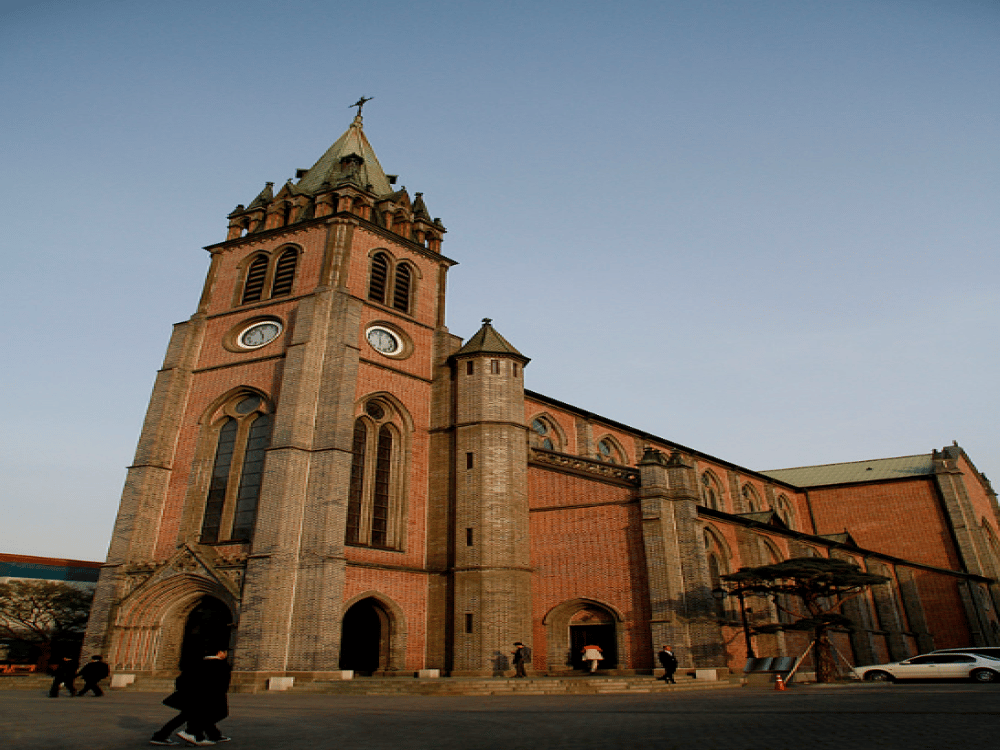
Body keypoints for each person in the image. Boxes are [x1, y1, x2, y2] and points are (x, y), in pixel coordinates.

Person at [151, 649, 232, 746]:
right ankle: (192, 733)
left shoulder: (196, 663)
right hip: (209, 697)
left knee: (188, 715)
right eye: (225, 652)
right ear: (219, 652)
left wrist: (184, 691)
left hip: (189, 695)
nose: (225, 655)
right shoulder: (221, 665)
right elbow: (222, 685)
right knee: (217, 713)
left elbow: (180, 680)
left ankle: (160, 737)